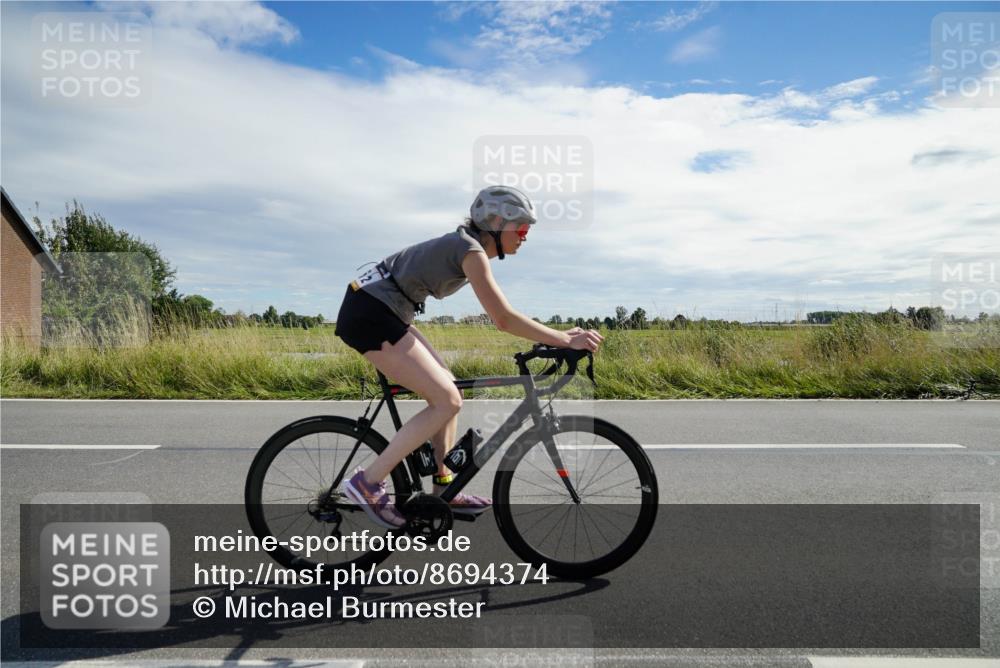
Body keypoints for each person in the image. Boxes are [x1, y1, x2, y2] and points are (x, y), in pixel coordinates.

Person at [334, 185, 603, 529]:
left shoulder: (468, 246)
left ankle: (443, 489)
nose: (525, 236)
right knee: (446, 400)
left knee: (450, 392)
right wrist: (565, 338)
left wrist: (560, 337)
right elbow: (503, 318)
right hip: (371, 311)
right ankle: (367, 483)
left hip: (384, 308)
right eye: (521, 228)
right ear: (494, 222)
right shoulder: (471, 251)